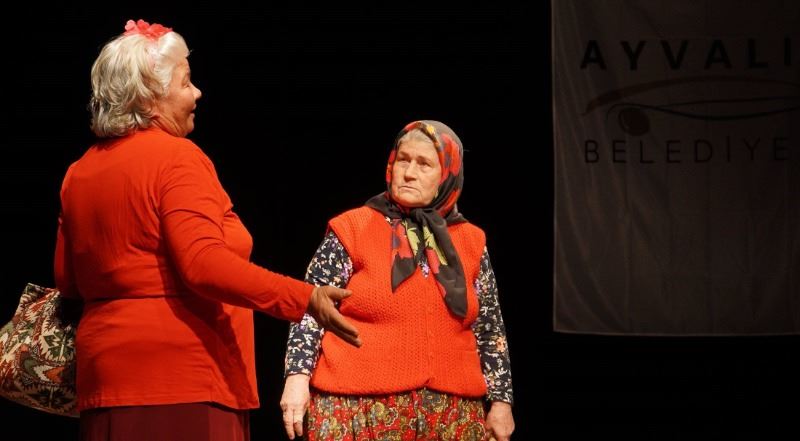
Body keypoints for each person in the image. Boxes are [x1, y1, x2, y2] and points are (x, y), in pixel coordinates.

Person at [54, 19, 360, 441]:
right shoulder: (176, 158)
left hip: (105, 383)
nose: (196, 93)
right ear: (152, 96)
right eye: (186, 82)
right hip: (183, 380)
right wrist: (304, 297)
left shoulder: (79, 172)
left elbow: (68, 280)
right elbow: (203, 264)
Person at [280, 120, 515, 441]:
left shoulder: (472, 241)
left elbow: (490, 329)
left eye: (424, 164)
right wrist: (296, 377)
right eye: (403, 160)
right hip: (355, 412)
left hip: (452, 417)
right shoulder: (352, 228)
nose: (408, 172)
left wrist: (501, 401)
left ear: (448, 175)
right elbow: (310, 309)